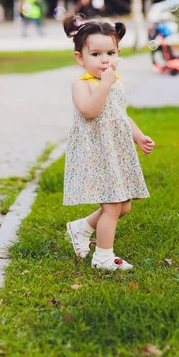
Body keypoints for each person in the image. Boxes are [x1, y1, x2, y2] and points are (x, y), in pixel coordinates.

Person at [63, 15, 155, 271]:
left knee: (123, 206)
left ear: (118, 53)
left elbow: (120, 113)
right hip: (96, 151)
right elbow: (89, 111)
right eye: (96, 54)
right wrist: (104, 85)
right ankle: (103, 257)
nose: (105, 59)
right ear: (80, 57)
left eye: (110, 52)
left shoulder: (114, 82)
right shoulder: (82, 84)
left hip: (115, 149)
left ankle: (81, 227)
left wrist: (138, 136)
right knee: (113, 205)